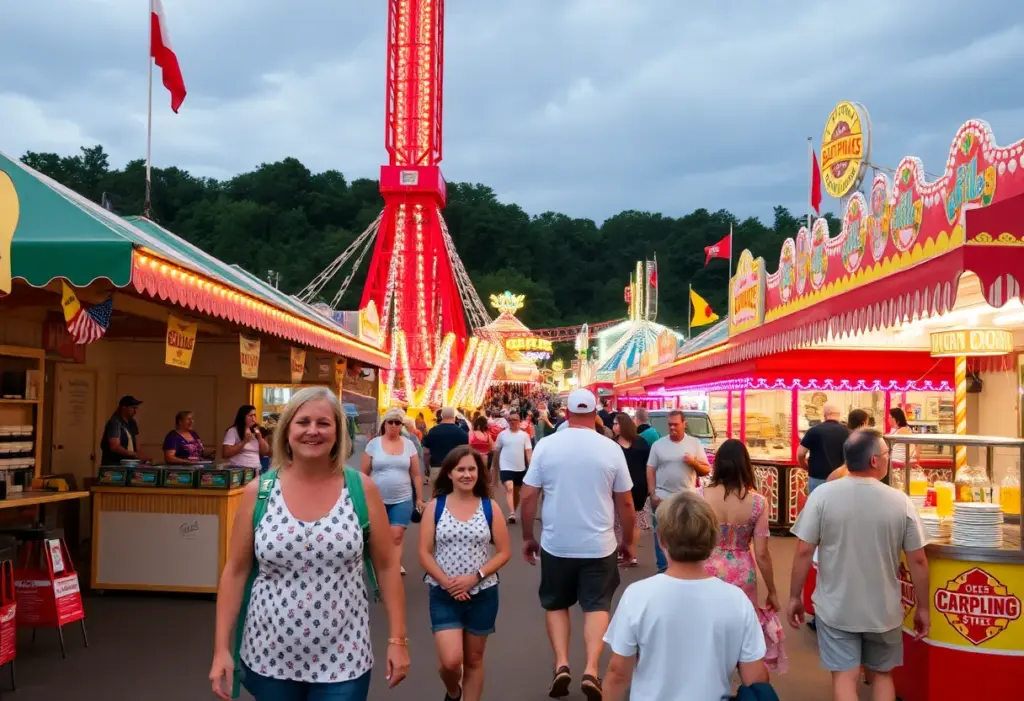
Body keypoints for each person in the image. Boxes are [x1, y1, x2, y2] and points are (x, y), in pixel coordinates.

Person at [209, 386, 409, 701]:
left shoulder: (361, 490)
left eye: (323, 423)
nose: (312, 431)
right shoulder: (258, 492)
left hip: (345, 658)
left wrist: (398, 640)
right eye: (303, 422)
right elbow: (235, 571)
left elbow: (386, 566)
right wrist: (221, 648)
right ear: (287, 430)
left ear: (338, 432)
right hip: (269, 655)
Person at [788, 429, 930, 701]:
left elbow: (805, 551)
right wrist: (922, 607)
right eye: (887, 454)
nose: (889, 459)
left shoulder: (823, 496)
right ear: (875, 461)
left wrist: (795, 596)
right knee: (882, 674)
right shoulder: (900, 501)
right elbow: (918, 560)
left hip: (836, 607)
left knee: (845, 675)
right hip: (884, 610)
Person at [520, 388, 635, 701]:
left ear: (567, 413)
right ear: (595, 413)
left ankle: (561, 664)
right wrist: (629, 541)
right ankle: (591, 668)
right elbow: (625, 502)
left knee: (556, 603)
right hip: (599, 544)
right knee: (596, 606)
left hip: (557, 543)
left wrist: (528, 535)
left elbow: (528, 495)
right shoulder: (610, 449)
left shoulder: (547, 446)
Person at [602, 490, 770, 701]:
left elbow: (618, 673)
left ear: (661, 539)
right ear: (712, 541)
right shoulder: (737, 601)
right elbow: (755, 677)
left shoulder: (638, 596)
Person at [418, 446, 511, 701]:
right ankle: (453, 691)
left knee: (474, 660)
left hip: (482, 593)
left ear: (478, 474)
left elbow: (503, 552)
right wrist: (447, 583)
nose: (467, 475)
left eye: (471, 469)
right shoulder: (435, 507)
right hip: (443, 593)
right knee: (450, 662)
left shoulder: (490, 507)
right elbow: (424, 553)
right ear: (449, 473)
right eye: (460, 469)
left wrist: (475, 577)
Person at [361, 408, 424, 576]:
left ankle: (393, 567)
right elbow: (363, 474)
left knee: (396, 536)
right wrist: (359, 495)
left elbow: (416, 474)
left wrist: (419, 498)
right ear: (385, 424)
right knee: (378, 536)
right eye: (391, 422)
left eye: (398, 423)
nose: (394, 426)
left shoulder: (409, 444)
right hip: (376, 499)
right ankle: (380, 564)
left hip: (402, 498)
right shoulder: (374, 444)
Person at [646, 410, 711, 573]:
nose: (672, 428)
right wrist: (652, 493)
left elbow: (705, 470)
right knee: (661, 533)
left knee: (686, 533)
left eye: (675, 424)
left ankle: (683, 568)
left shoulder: (694, 444)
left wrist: (693, 462)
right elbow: (650, 470)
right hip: (662, 497)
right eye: (670, 425)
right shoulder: (658, 445)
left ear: (684, 424)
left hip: (687, 498)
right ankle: (663, 568)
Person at [612, 412, 649, 567]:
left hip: (637, 486)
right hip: (617, 487)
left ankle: (631, 553)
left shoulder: (641, 443)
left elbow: (648, 465)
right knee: (617, 520)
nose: (613, 426)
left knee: (633, 520)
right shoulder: (611, 443)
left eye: (616, 423)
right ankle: (621, 551)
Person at [797, 403, 849, 494]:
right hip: (839, 477)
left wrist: (805, 466)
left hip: (817, 477)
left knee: (816, 505)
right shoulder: (847, 432)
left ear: (825, 415)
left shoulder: (814, 431)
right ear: (838, 415)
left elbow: (800, 453)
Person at [493, 412, 533, 524]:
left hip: (520, 467)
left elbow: (528, 452)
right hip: (505, 465)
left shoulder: (524, 436)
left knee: (516, 492)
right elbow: (496, 451)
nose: (513, 422)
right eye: (510, 420)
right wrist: (493, 466)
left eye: (515, 419)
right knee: (509, 488)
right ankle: (512, 513)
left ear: (519, 421)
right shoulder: (502, 435)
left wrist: (531, 466)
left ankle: (513, 512)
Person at [422, 407, 470, 480]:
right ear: (454, 416)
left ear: (442, 416)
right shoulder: (462, 433)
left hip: (437, 469)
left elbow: (426, 453)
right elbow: (467, 453)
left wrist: (427, 468)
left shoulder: (432, 431)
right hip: (456, 470)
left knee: (438, 491)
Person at [826, 409, 870, 482]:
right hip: (850, 476)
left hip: (832, 474)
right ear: (863, 423)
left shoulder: (839, 433)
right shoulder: (861, 440)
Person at [222, 405, 270, 470]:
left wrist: (259, 437)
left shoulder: (258, 430)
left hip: (256, 469)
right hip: (238, 470)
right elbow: (226, 453)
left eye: (254, 415)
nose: (253, 418)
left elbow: (265, 452)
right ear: (243, 417)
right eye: (250, 416)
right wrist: (244, 441)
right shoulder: (233, 431)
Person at [100, 395, 144, 465]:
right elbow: (114, 447)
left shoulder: (132, 423)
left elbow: (136, 442)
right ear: (124, 407)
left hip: (130, 464)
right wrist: (133, 454)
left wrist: (139, 456)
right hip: (114, 465)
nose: (135, 411)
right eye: (133, 408)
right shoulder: (115, 422)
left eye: (136, 408)